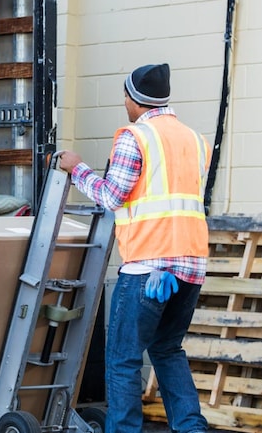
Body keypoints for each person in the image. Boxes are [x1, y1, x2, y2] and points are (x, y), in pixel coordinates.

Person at [58, 63, 210, 433]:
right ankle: (192, 428)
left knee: (123, 360)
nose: (123, 102)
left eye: (125, 96)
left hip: (147, 266)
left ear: (136, 100)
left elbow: (112, 196)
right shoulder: (194, 139)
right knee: (167, 350)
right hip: (190, 266)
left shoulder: (135, 136)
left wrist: (77, 169)